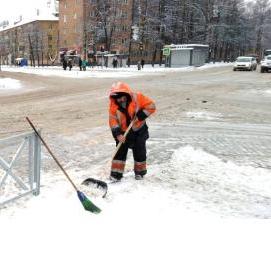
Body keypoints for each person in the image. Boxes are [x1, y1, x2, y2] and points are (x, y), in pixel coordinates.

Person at [108, 81, 156, 181]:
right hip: (123, 133)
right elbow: (113, 122)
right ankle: (115, 175)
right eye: (117, 98)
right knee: (119, 153)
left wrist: (140, 115)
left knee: (140, 152)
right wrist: (117, 134)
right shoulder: (113, 106)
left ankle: (140, 173)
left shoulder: (138, 97)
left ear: (126, 94)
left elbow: (151, 106)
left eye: (122, 97)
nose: (120, 100)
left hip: (139, 131)